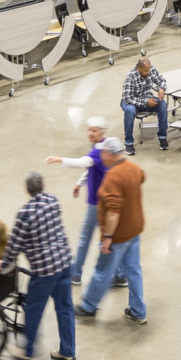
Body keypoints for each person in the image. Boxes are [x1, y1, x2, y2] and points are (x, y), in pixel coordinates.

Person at [0, 173, 77, 360]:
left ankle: (27, 350)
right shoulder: (53, 201)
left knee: (33, 309)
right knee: (65, 308)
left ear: (27, 190)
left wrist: (4, 265)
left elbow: (14, 244)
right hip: (65, 262)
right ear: (43, 185)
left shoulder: (25, 213)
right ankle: (68, 351)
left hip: (45, 271)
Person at [75, 138, 147, 324]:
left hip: (118, 235)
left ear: (110, 154)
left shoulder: (113, 177)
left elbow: (114, 211)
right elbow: (141, 177)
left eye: (103, 152)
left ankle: (89, 306)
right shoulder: (134, 168)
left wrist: (108, 237)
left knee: (103, 270)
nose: (101, 155)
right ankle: (138, 311)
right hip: (134, 229)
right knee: (134, 270)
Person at [44, 117, 114, 287]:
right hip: (102, 202)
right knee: (105, 239)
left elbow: (84, 162)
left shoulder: (98, 152)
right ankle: (118, 274)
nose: (90, 133)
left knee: (85, 238)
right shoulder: (102, 148)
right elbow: (90, 167)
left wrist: (60, 159)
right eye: (89, 130)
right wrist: (79, 183)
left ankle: (76, 274)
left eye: (95, 130)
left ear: (102, 133)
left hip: (96, 203)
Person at [119, 57, 168, 154]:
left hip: (147, 99)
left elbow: (161, 79)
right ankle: (128, 142)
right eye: (146, 70)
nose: (148, 72)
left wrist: (161, 88)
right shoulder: (130, 77)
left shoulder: (151, 70)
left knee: (162, 105)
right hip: (131, 102)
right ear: (138, 68)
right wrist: (146, 102)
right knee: (130, 111)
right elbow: (127, 98)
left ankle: (162, 137)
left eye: (149, 69)